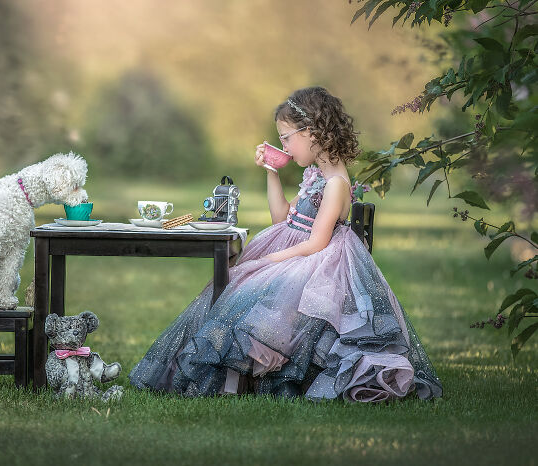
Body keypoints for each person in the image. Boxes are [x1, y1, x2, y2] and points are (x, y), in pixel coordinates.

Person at [129, 87, 443, 403]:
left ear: (311, 133)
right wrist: (272, 172)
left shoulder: (336, 185)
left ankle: (249, 374)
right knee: (236, 284)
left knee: (250, 286)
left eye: (286, 138)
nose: (284, 146)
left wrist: (268, 261)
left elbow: (317, 242)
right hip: (297, 249)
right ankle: (235, 376)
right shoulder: (315, 177)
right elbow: (282, 217)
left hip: (314, 259)